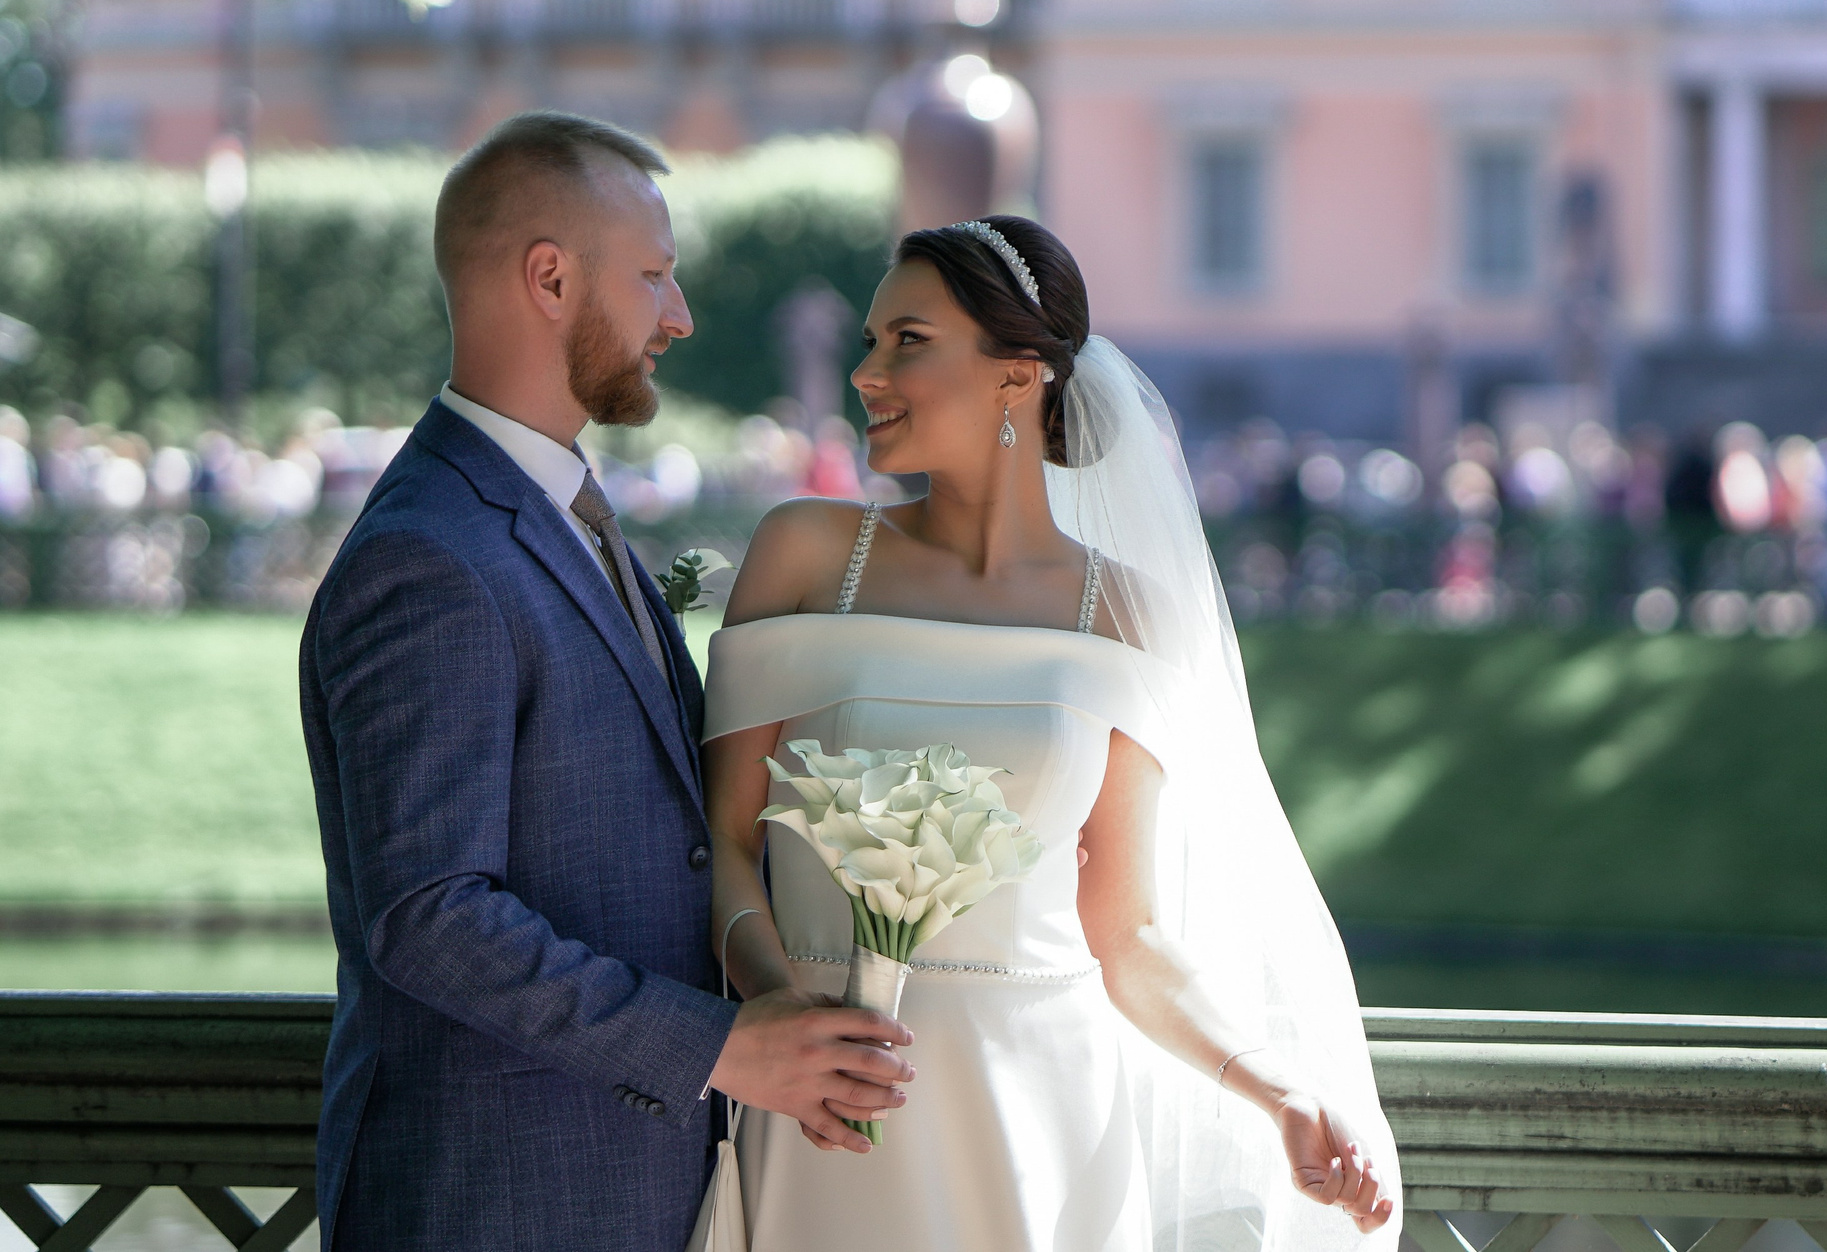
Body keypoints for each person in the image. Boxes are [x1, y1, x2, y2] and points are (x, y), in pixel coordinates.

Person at [704, 214, 1399, 1251]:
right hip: (825, 1102)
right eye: (868, 340)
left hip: (1044, 1117)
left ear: (1016, 377)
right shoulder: (805, 552)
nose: (865, 373)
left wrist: (1280, 1090)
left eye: (908, 341)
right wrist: (780, 1016)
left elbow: (1131, 934)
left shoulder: (1126, 613)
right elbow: (724, 842)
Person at [299, 111, 914, 1251]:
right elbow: (429, 916)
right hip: (493, 1207)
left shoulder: (555, 511)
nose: (677, 316)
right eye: (653, 276)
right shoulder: (428, 555)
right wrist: (724, 1049)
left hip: (628, 1191)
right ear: (548, 277)